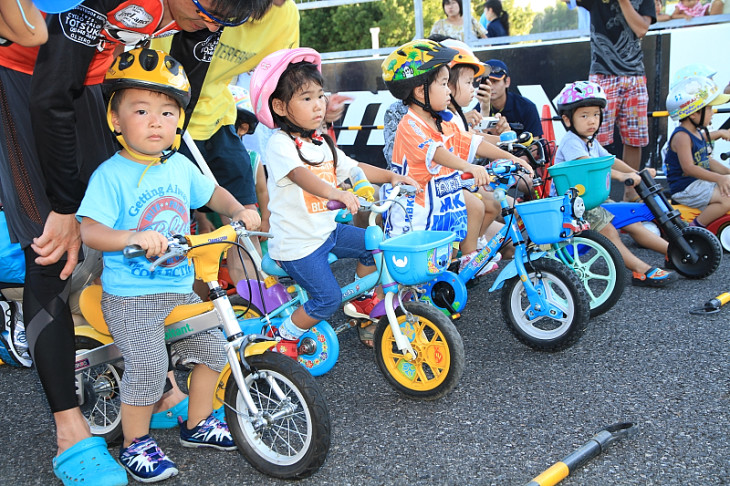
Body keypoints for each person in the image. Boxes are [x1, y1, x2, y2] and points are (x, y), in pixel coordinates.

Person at [0, 1, 267, 484]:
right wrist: (64, 209)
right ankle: (70, 429)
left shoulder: (204, 14)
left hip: (96, 81)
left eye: (230, 19)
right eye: (211, 9)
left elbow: (183, 86)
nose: (215, 23)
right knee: (54, 250)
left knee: (126, 212)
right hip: (25, 75)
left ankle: (158, 389)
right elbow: (51, 96)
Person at [78, 48, 260, 483]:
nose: (156, 120)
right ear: (116, 121)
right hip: (129, 296)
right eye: (141, 110)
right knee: (147, 365)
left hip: (179, 287)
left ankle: (196, 423)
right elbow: (89, 230)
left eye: (166, 111)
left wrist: (241, 209)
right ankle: (134, 442)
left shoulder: (179, 165)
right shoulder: (111, 175)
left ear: (179, 121)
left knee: (214, 351)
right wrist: (130, 238)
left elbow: (212, 194)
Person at [249, 47, 418, 350]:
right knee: (326, 299)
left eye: (319, 95)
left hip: (326, 231)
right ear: (280, 106)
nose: (318, 105)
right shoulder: (280, 144)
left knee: (373, 243)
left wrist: (391, 176)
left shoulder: (321, 141)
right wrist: (337, 193)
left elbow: (353, 166)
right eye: (306, 98)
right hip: (297, 244)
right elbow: (302, 176)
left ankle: (363, 298)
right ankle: (283, 338)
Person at [151, 0, 298, 288]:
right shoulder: (198, 9)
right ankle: (186, 313)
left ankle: (258, 310)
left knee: (243, 226)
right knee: (170, 232)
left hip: (218, 121)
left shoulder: (285, 14)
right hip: (162, 124)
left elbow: (284, 79)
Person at [381, 39, 532, 275]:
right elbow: (438, 153)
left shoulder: (443, 121)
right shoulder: (410, 124)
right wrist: (471, 167)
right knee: (405, 279)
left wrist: (512, 157)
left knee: (438, 277)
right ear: (421, 91)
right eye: (443, 83)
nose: (449, 90)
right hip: (413, 220)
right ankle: (375, 302)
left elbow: (472, 141)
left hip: (440, 214)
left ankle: (461, 267)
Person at [554, 80, 676, 287]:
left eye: (595, 114)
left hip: (590, 199)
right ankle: (641, 271)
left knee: (631, 221)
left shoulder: (590, 140)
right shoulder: (571, 142)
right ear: (567, 119)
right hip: (570, 206)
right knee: (608, 230)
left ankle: (673, 251)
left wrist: (635, 172)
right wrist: (621, 177)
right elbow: (589, 167)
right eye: (584, 116)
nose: (592, 121)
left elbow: (610, 160)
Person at [576, 0, 655, 202]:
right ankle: (598, 196)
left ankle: (631, 193)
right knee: (593, 138)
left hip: (635, 75)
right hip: (602, 74)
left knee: (634, 138)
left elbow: (641, 29)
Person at [664, 76, 730, 228]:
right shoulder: (682, 136)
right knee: (727, 199)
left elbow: (707, 161)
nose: (712, 113)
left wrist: (726, 173)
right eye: (708, 109)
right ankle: (694, 228)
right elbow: (689, 168)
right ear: (693, 113)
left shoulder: (696, 132)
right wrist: (720, 179)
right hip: (686, 188)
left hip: (696, 185)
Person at [484, 59, 543, 138]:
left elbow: (535, 147)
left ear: (507, 82)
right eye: (486, 82)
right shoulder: (478, 111)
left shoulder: (526, 107)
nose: (490, 87)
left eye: (495, 81)